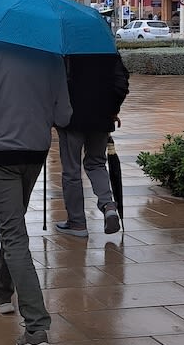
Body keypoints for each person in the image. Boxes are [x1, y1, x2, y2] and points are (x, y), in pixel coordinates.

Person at [0, 41, 71, 345]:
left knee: (13, 233)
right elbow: (64, 115)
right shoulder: (51, 55)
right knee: (14, 227)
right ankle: (1, 291)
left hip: (0, 153)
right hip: (35, 151)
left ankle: (36, 329)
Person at [54, 53, 131, 238]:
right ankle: (108, 205)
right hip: (101, 118)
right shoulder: (107, 51)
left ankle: (77, 223)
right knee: (96, 163)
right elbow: (121, 84)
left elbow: (53, 83)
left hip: (71, 119)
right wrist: (112, 109)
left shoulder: (65, 51)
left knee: (71, 170)